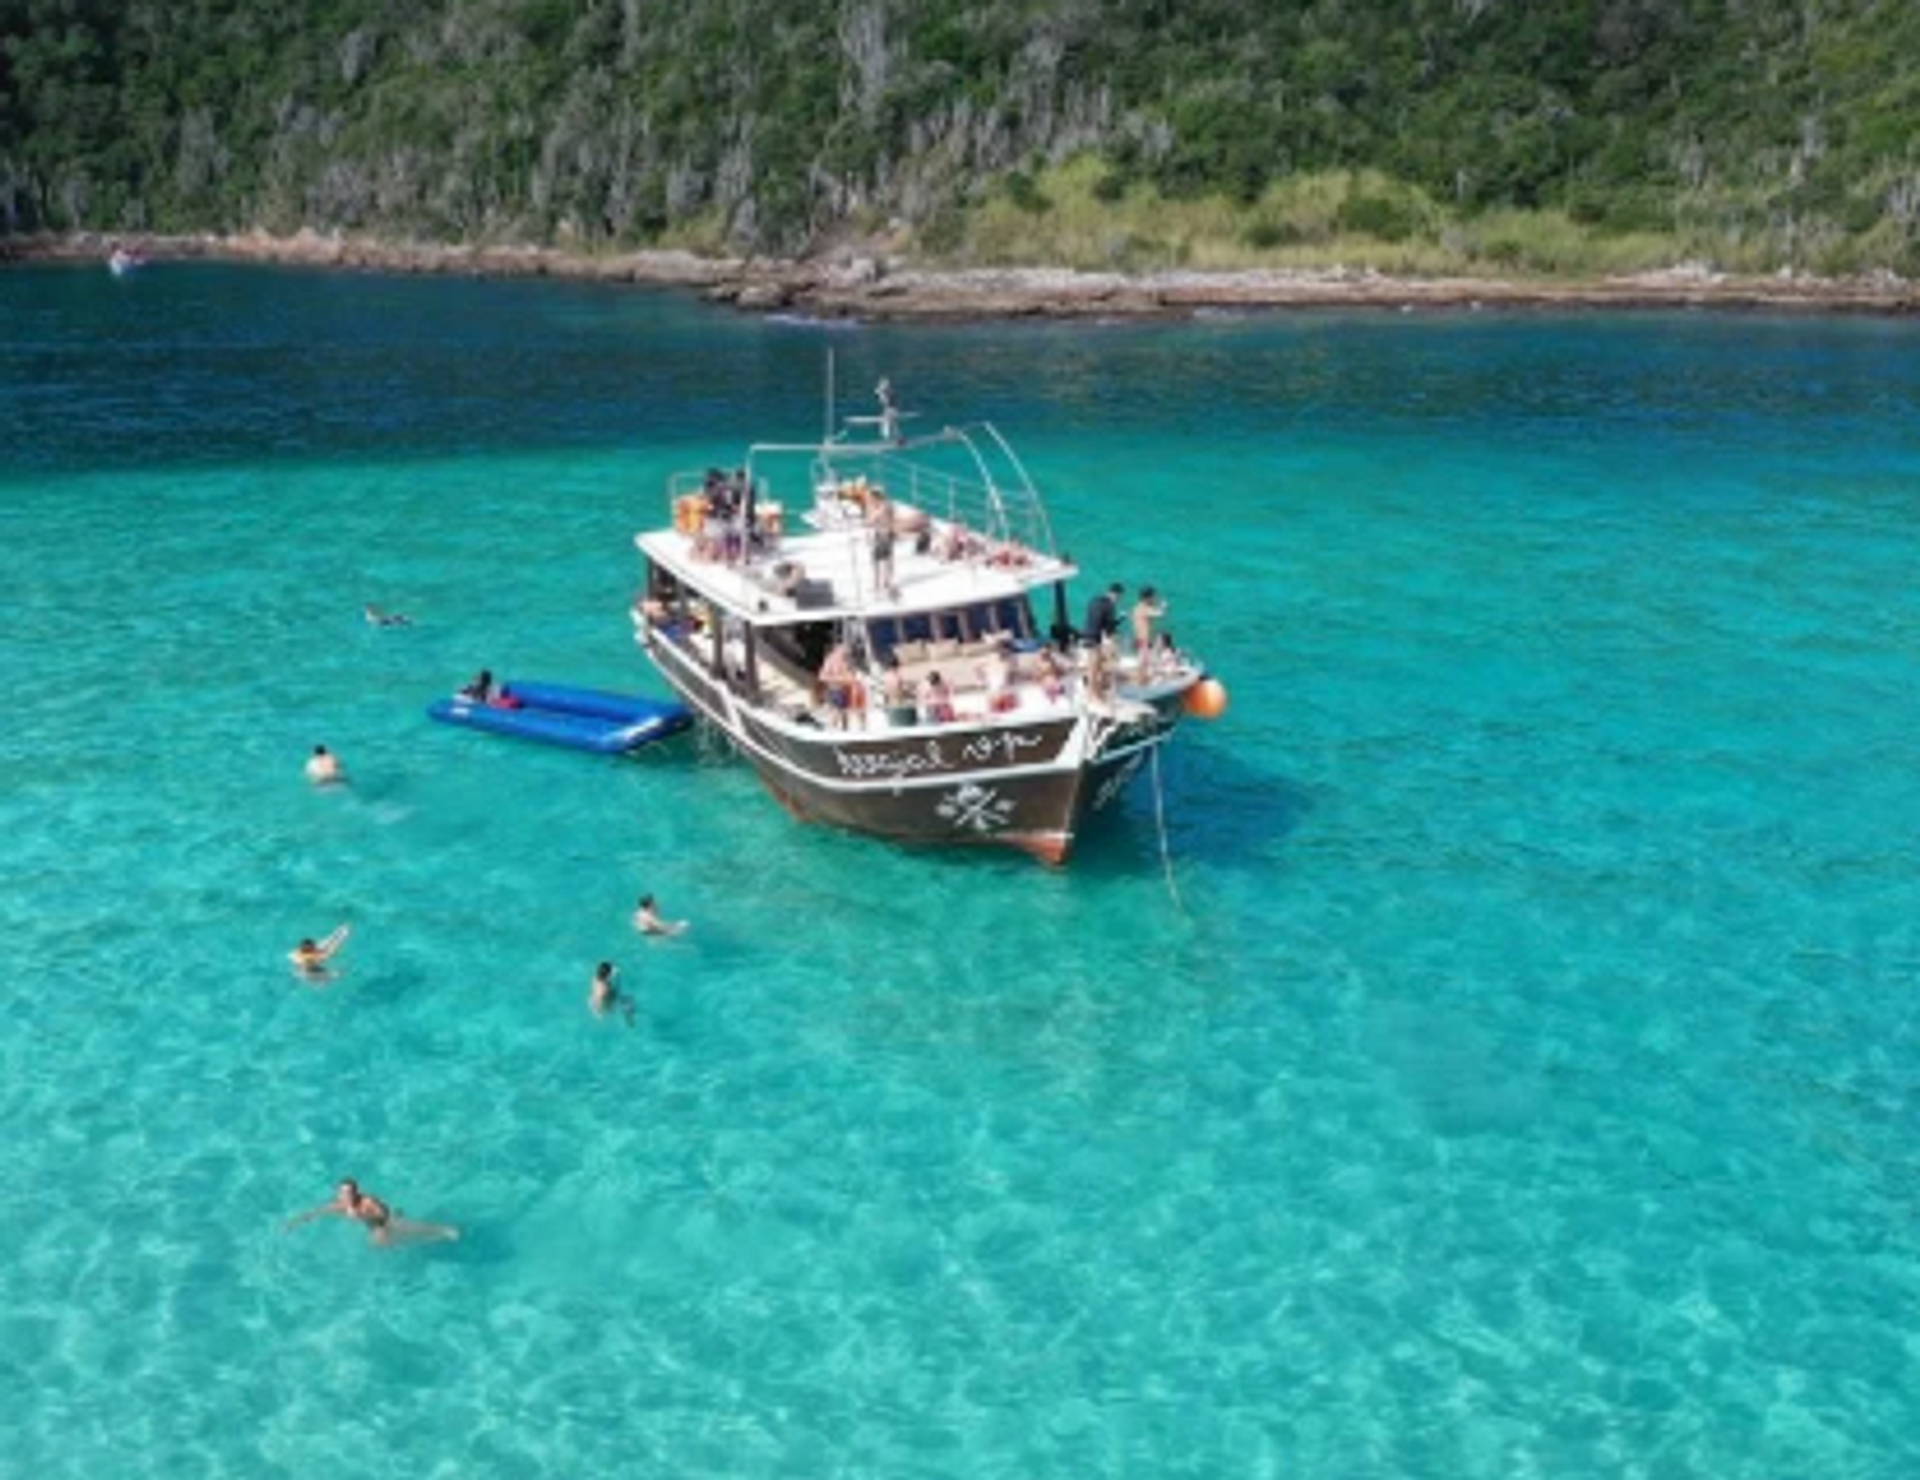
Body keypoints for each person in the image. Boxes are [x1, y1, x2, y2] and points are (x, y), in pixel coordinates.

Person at [286, 1178, 460, 1247]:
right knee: (379, 1247)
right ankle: (427, 1239)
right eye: (343, 1193)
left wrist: (363, 1215)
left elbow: (383, 1215)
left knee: (411, 1228)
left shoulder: (367, 1201)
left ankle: (444, 1231)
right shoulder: (337, 1206)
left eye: (350, 1192)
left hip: (386, 1221)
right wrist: (295, 1222)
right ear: (339, 1194)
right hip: (373, 1225)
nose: (347, 1196)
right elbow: (316, 1212)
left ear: (356, 1192)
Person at [818, 642, 856, 729]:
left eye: (847, 651)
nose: (847, 652)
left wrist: (850, 678)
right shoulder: (830, 660)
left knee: (845, 715)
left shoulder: (846, 660)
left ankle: (845, 732)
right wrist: (839, 679)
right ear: (837, 649)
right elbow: (822, 677)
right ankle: (832, 732)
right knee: (836, 714)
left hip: (845, 691)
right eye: (844, 650)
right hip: (835, 690)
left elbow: (850, 675)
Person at [1131, 586, 1168, 666]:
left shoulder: (1137, 608)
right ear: (1147, 598)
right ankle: (1141, 677)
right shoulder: (1144, 608)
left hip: (1138, 638)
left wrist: (1154, 604)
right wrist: (1164, 606)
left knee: (1143, 661)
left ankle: (1141, 676)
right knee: (1143, 663)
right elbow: (1161, 614)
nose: (1154, 598)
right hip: (1144, 639)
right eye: (1153, 596)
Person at [869, 495, 898, 597]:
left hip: (882, 535)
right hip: (888, 534)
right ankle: (886, 581)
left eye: (873, 499)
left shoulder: (881, 508)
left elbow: (872, 520)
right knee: (888, 559)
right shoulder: (889, 505)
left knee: (876, 560)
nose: (871, 501)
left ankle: (877, 584)